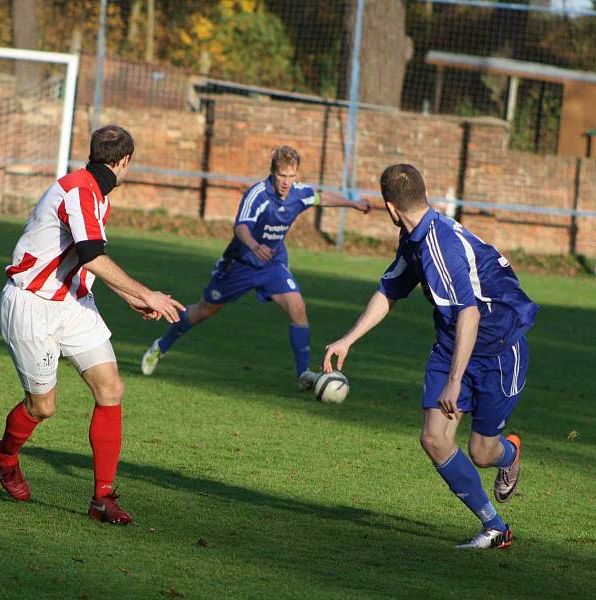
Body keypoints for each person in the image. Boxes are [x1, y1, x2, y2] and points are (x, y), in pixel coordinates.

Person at [322, 164, 537, 549]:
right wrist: (347, 339)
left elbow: (469, 314)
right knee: (435, 439)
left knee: (482, 451)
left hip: (498, 353)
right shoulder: (413, 240)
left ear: (390, 208)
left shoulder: (441, 245)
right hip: (451, 345)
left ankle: (510, 452)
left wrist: (455, 382)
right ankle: (495, 527)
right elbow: (389, 290)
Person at [0, 125, 184, 524]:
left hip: (73, 304)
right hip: (32, 305)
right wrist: (147, 294)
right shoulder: (79, 191)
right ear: (125, 161)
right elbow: (93, 255)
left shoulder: (96, 194)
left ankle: (102, 498)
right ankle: (4, 455)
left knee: (111, 388)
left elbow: (84, 262)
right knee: (43, 407)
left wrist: (129, 298)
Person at [140, 145, 370, 390]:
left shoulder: (299, 194)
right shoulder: (257, 195)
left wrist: (353, 203)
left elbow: (321, 197)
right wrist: (254, 245)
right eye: (282, 175)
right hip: (239, 265)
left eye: (291, 176)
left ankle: (304, 373)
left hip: (272, 264)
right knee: (203, 311)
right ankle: (160, 347)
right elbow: (240, 227)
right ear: (272, 172)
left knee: (297, 307)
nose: (286, 182)